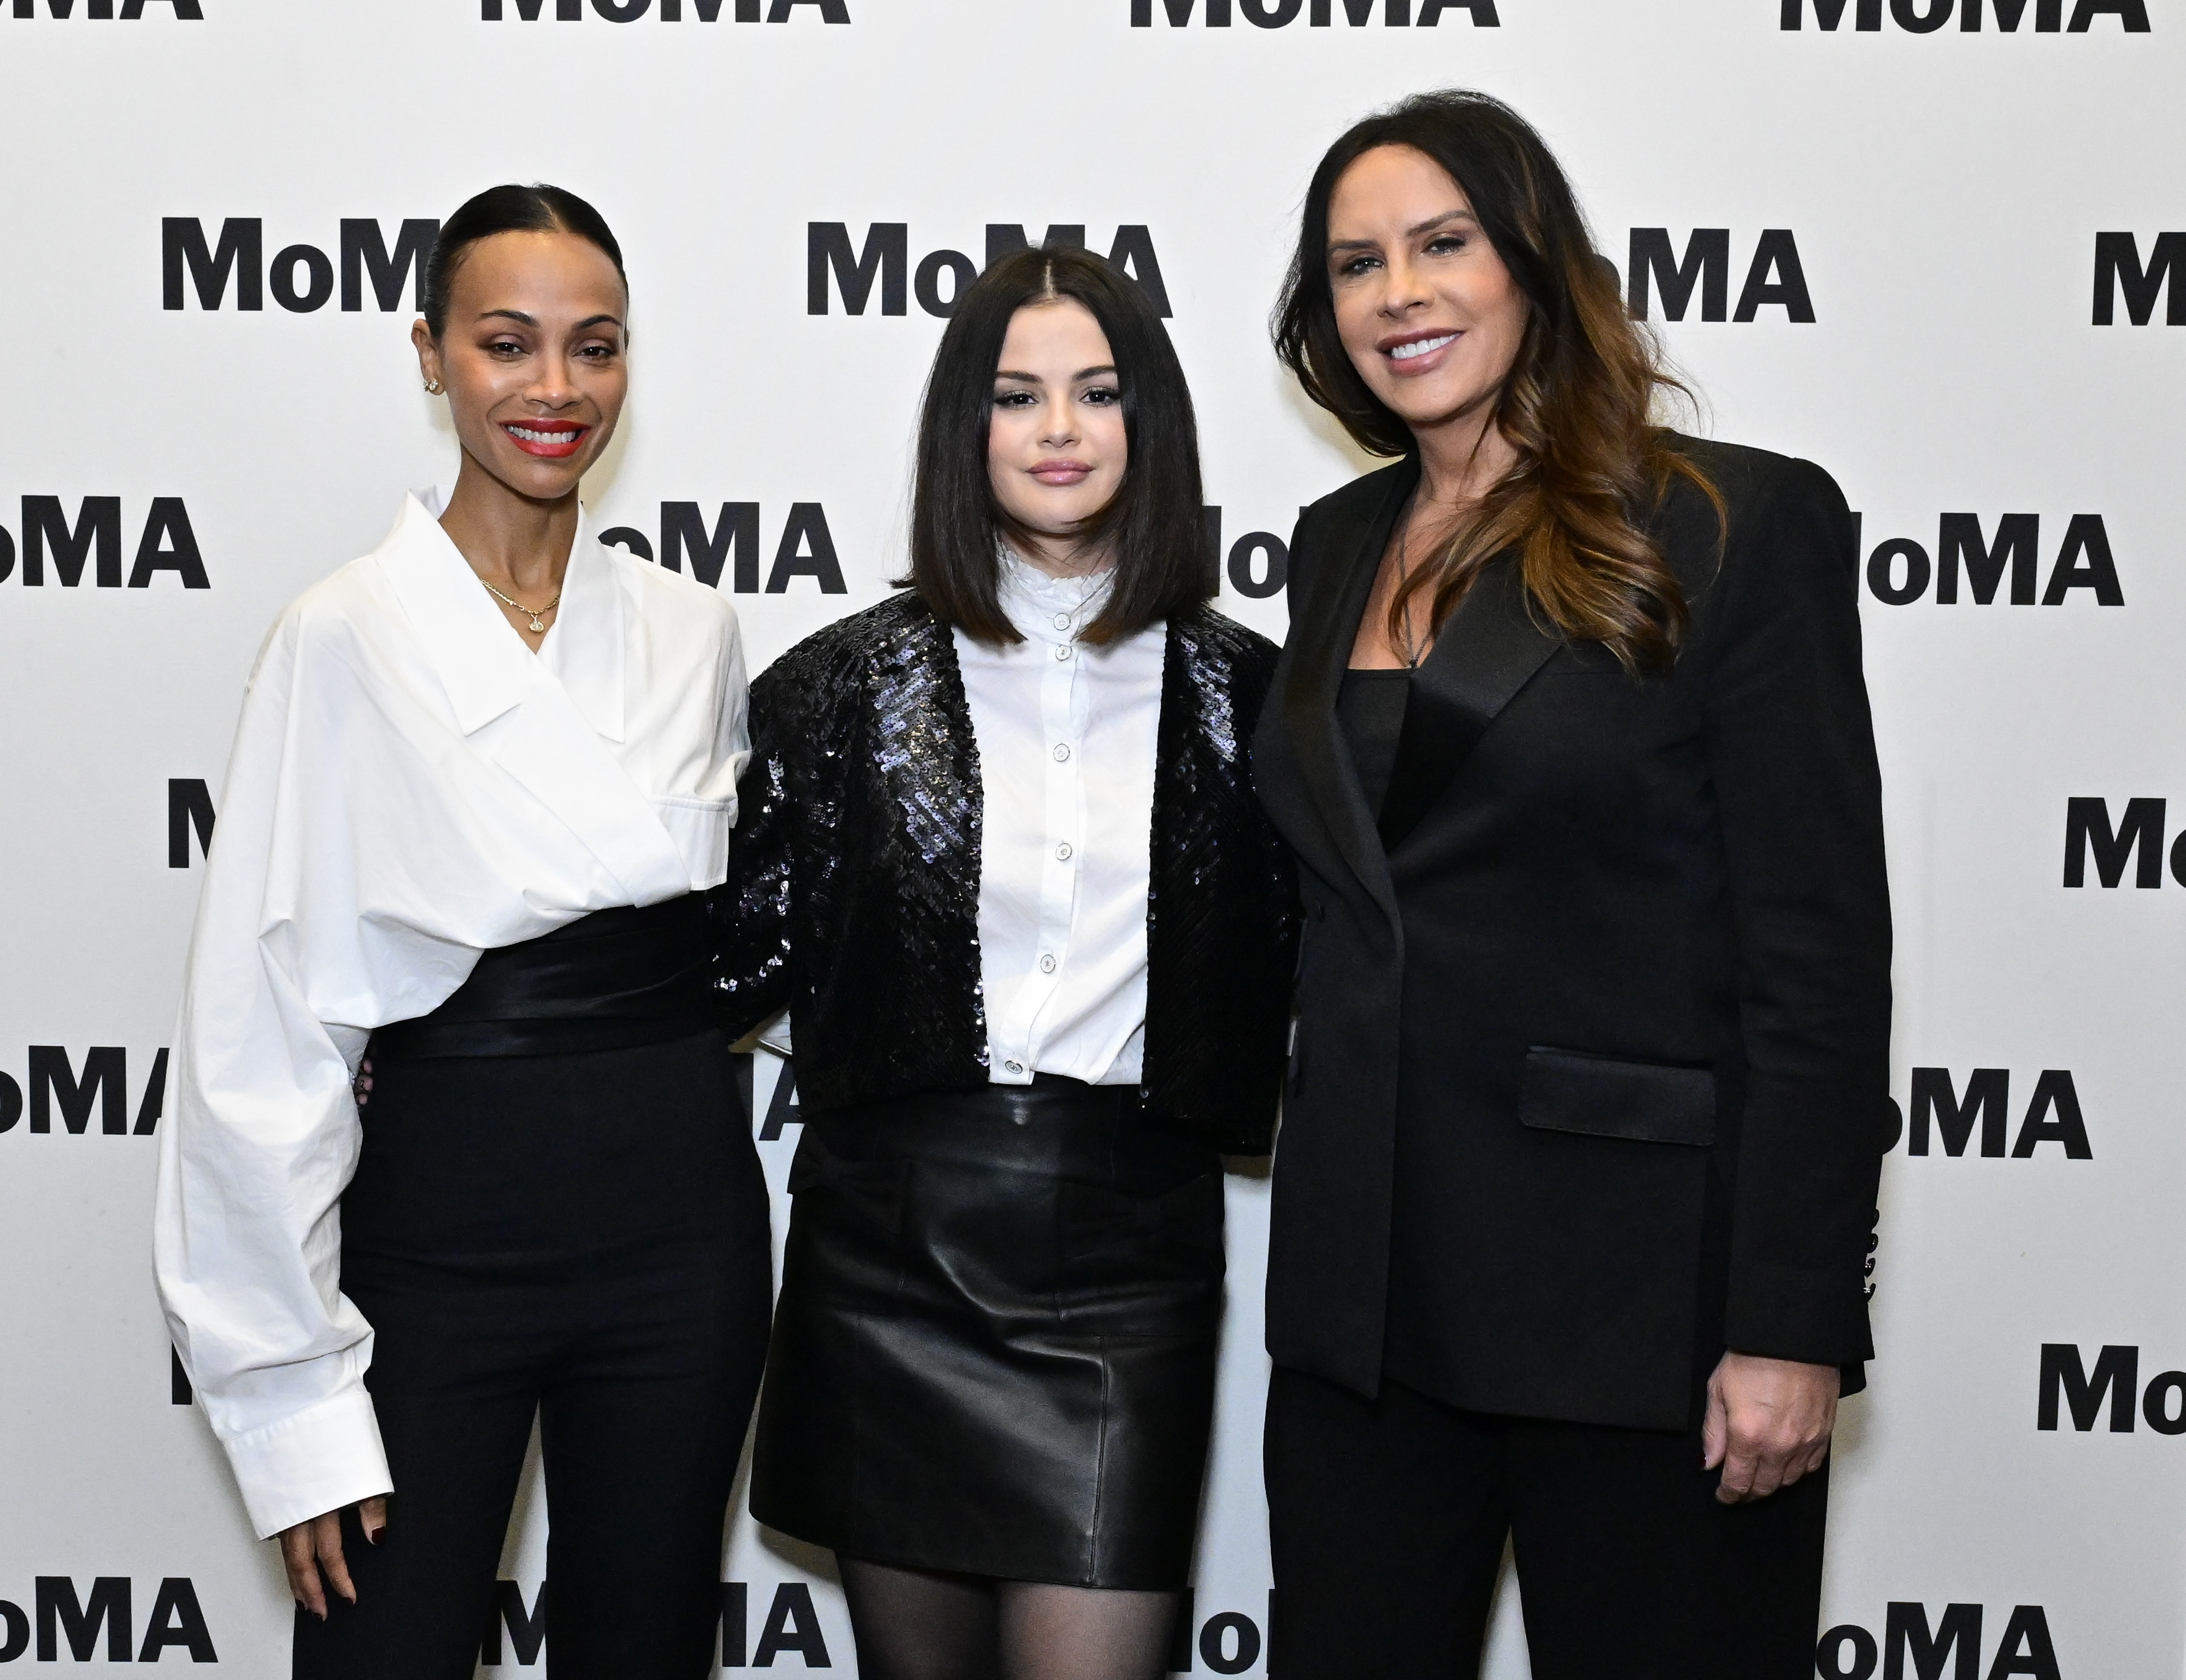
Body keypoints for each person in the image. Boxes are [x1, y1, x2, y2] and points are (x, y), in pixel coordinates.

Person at [1251, 91, 1892, 1679]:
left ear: (1534, 262)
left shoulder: (1730, 523)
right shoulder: (1338, 541)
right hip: (1363, 1314)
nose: (1398, 292)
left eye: (1442, 244)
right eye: (1355, 264)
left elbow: (1817, 959)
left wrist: (1793, 1319)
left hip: (1640, 1312)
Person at [152, 184, 771, 1679]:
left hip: (680, 1228)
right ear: (430, 353)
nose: (556, 390)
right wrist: (291, 1391)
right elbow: (264, 1022)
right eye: (509, 344)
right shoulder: (342, 632)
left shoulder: (692, 628)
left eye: (596, 346)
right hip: (437, 1234)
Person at [712, 244, 1298, 1680]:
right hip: (887, 1247)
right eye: (1017, 393)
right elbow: (718, 960)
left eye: (1098, 394)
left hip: (1130, 1257)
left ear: (1149, 424)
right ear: (959, 428)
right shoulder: (836, 683)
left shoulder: (1255, 693)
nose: (1057, 428)